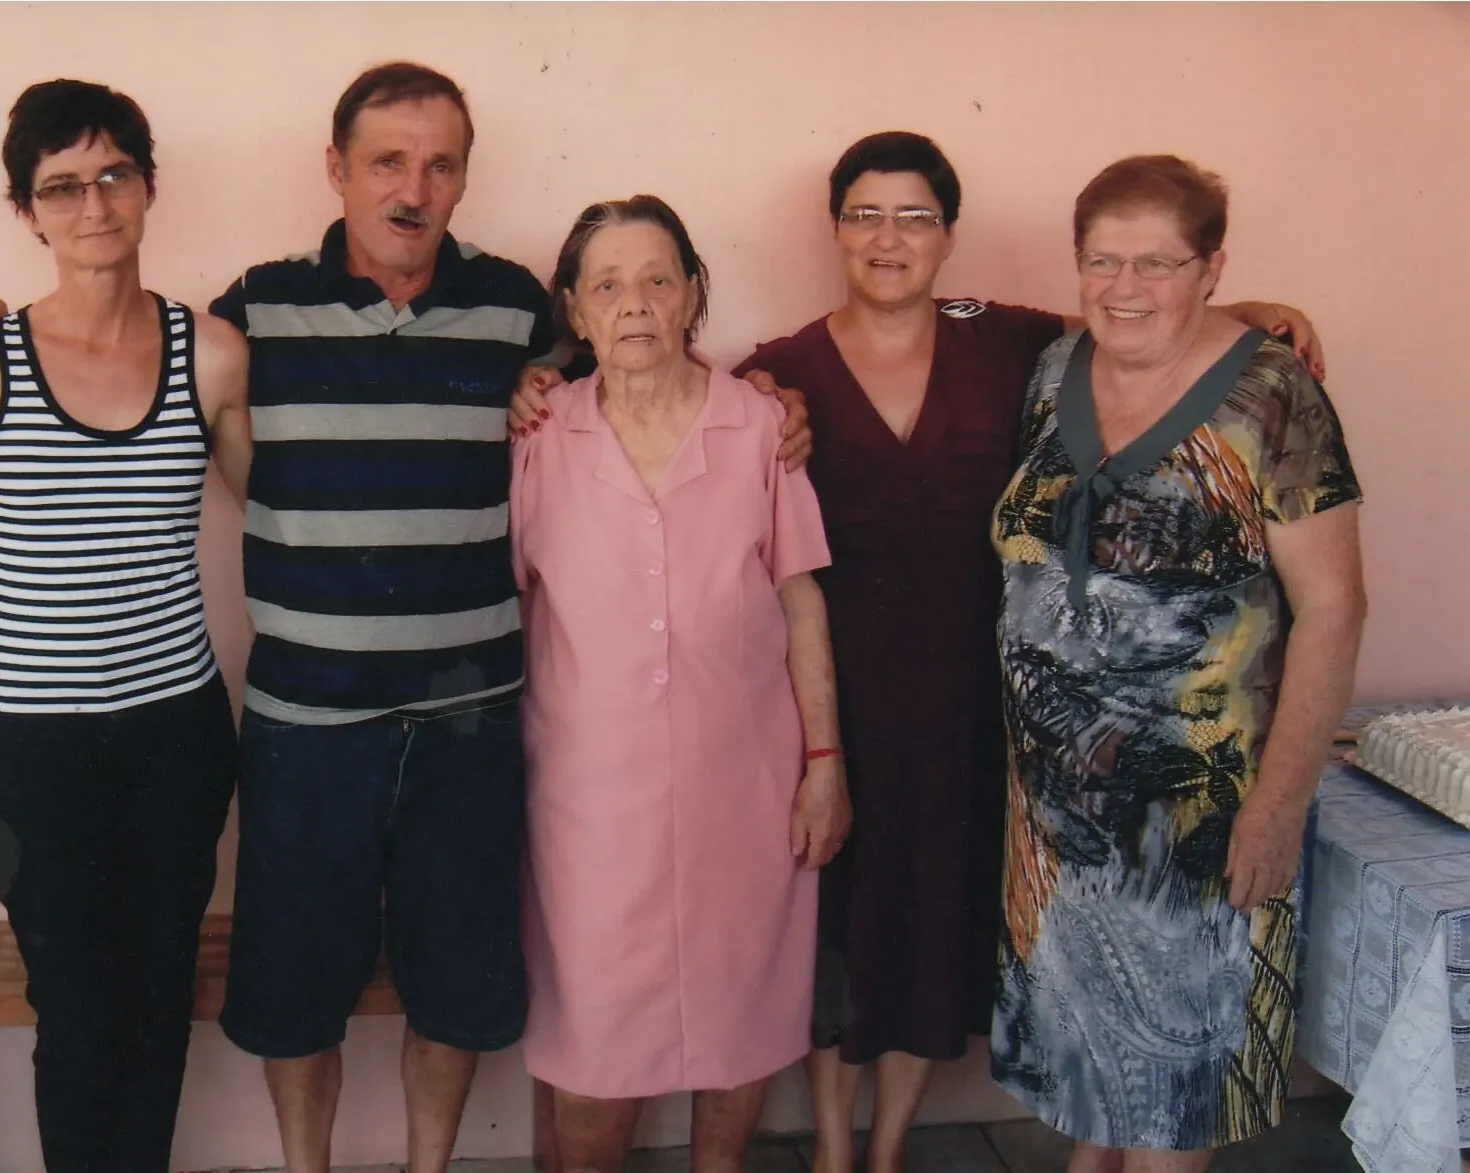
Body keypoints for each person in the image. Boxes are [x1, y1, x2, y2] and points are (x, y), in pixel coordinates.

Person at [0, 63, 808, 1173]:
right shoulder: (250, 314)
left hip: (473, 719)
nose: (413, 187)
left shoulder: (525, 310)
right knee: (293, 992)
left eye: (440, 164)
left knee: (456, 984)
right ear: (335, 169)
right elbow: (117, 353)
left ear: (465, 178)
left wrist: (768, 395)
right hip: (304, 719)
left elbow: (645, 367)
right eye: (386, 160)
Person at [514, 131, 1324, 1173]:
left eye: (915, 216)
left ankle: (882, 1154)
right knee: (812, 947)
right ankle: (838, 1152)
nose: (888, 237)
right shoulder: (759, 384)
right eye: (865, 213)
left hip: (952, 711)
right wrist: (530, 384)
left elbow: (1128, 319)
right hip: (747, 736)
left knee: (898, 939)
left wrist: (1242, 317)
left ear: (947, 235)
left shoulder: (982, 348)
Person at [989, 154, 1365, 1173]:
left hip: (1199, 830)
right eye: (1103, 260)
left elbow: (1333, 609)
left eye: (1157, 263)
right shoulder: (1052, 369)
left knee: (1172, 1122)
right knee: (1087, 1106)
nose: (1124, 286)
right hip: (1062, 828)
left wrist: (1278, 810)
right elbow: (928, 309)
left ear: (1212, 267)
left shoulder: (1273, 398)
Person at [0, 79, 250, 1173]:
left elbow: (286, 514)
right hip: (34, 746)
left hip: (175, 739)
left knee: (158, 1007)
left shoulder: (210, 353)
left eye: (114, 174)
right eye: (62, 186)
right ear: (29, 211)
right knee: (74, 1014)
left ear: (149, 186)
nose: (92, 204)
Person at [512, 195, 849, 1173]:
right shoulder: (538, 441)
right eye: (607, 285)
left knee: (740, 1019)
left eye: (659, 279)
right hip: (584, 806)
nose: (636, 304)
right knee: (594, 1043)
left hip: (744, 789)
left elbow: (801, 603)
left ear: (694, 294)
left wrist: (824, 762)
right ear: (573, 311)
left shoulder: (758, 430)